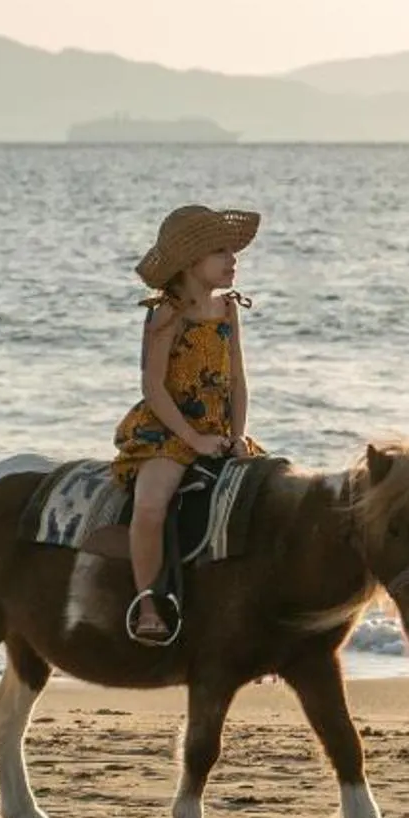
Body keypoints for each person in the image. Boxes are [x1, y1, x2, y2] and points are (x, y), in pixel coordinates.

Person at [114, 204, 265, 644]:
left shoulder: (228, 308)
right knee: (150, 505)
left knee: (268, 496)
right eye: (220, 251)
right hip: (170, 430)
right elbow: (153, 386)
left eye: (232, 251)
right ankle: (147, 603)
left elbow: (237, 380)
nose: (232, 260)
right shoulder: (168, 312)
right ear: (190, 261)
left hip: (220, 431)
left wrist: (237, 435)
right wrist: (193, 439)